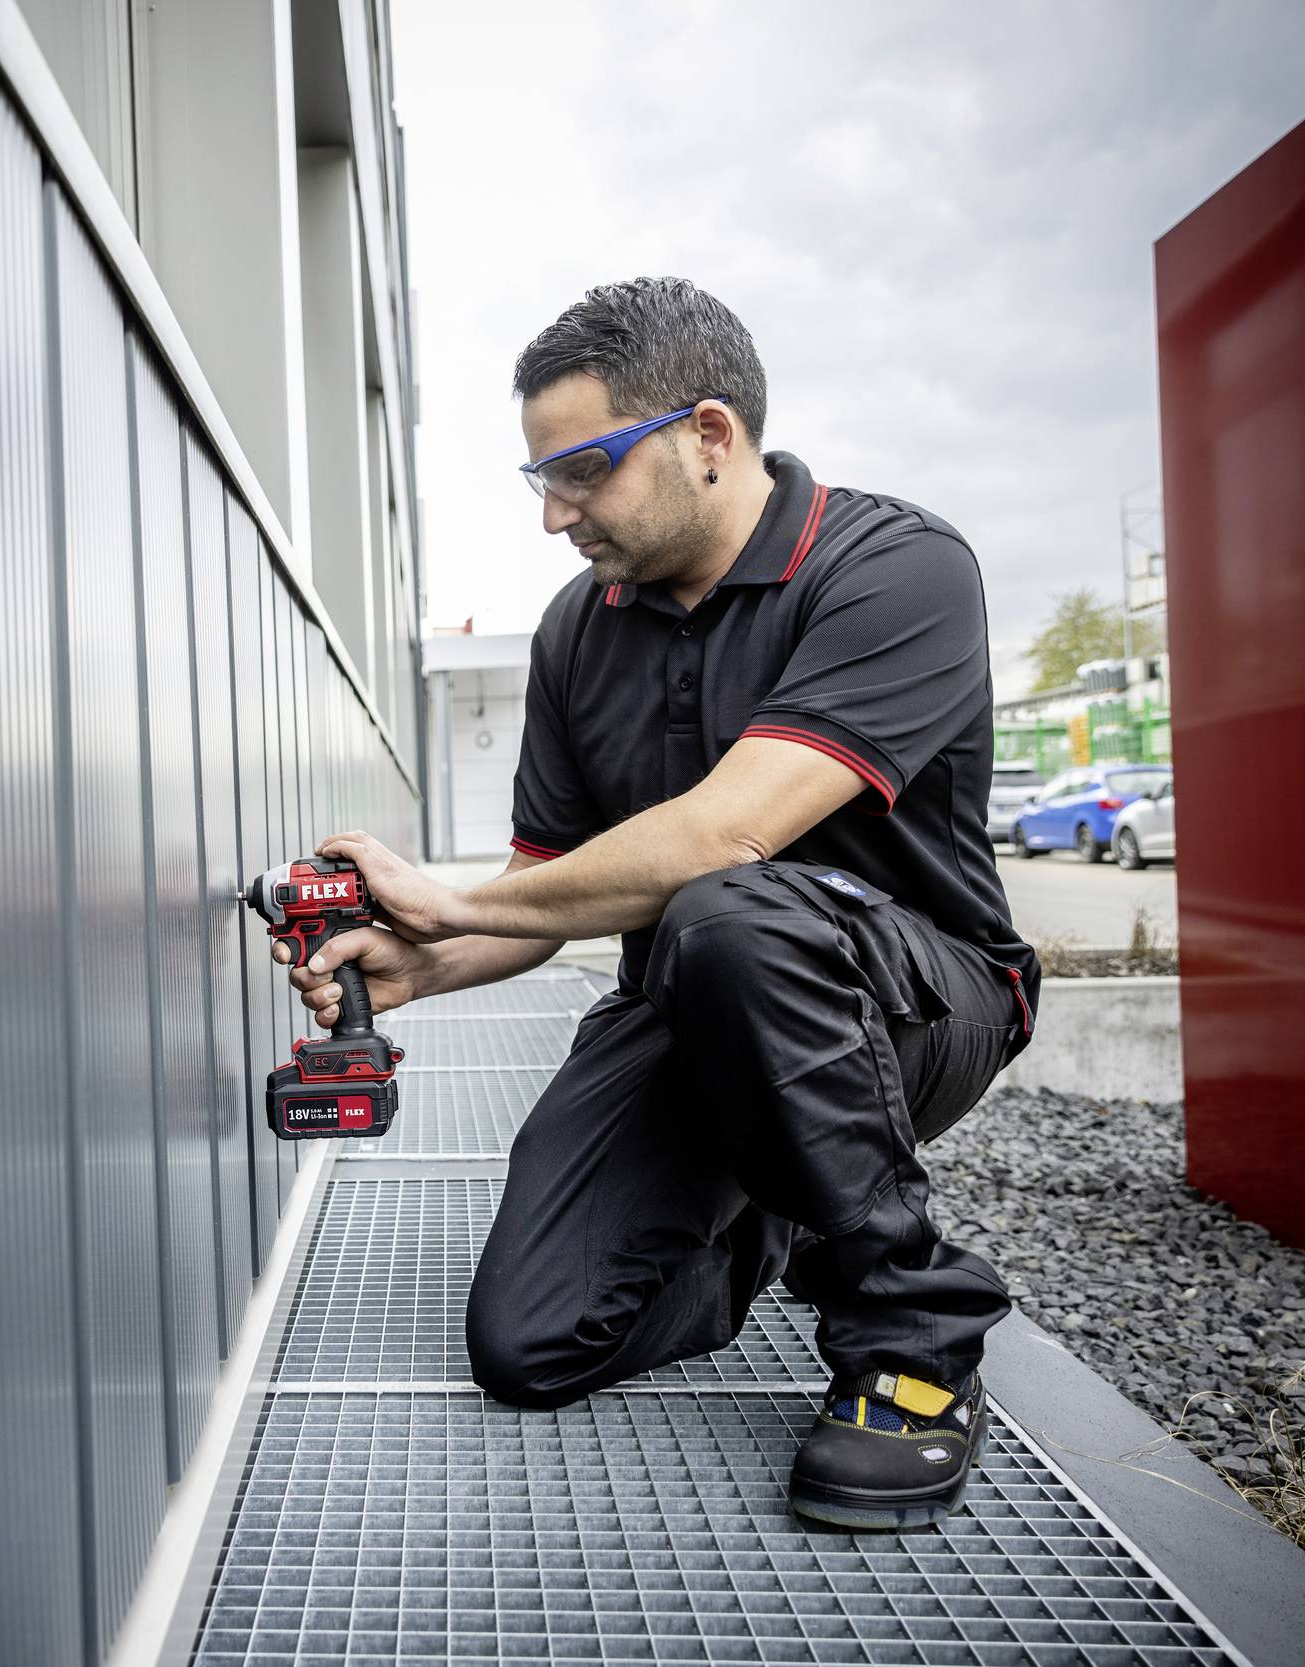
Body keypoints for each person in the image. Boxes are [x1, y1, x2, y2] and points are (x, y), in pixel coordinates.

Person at [279, 277, 1038, 1531]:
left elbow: (726, 833)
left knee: (725, 910)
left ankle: (912, 1331)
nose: (555, 516)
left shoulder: (895, 566)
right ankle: (783, 1217)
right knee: (532, 1340)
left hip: (918, 1004)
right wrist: (428, 956)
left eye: (579, 469)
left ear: (708, 434)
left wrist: (444, 891)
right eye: (539, 480)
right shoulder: (579, 629)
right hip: (693, 1001)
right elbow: (544, 893)